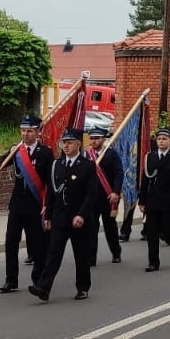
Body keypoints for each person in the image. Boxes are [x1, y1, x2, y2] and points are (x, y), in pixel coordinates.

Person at [30, 127, 103, 301]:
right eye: (64, 142)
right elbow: (51, 192)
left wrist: (82, 215)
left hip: (79, 219)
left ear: (79, 144)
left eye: (70, 142)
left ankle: (83, 288)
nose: (66, 146)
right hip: (60, 217)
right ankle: (43, 287)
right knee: (53, 254)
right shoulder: (57, 164)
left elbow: (91, 194)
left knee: (81, 255)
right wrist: (48, 216)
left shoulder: (87, 165)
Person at [0, 115, 53, 294]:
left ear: (37, 132)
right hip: (17, 206)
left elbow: (50, 182)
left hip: (36, 206)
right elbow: (1, 160)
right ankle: (11, 280)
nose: (25, 134)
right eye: (23, 130)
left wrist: (48, 205)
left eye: (29, 131)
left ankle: (38, 280)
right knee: (10, 242)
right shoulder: (16, 150)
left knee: (38, 246)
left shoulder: (46, 153)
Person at [139, 126, 170, 271]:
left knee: (167, 230)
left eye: (164, 139)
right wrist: (142, 201)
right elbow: (145, 180)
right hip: (152, 200)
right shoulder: (150, 157)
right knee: (152, 232)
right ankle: (153, 262)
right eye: (159, 139)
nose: (161, 141)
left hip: (168, 200)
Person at [86, 125, 124, 265]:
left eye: (97, 138)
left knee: (110, 227)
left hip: (108, 196)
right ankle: (91, 257)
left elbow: (119, 173)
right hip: (92, 197)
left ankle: (116, 253)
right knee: (91, 228)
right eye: (92, 138)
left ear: (103, 139)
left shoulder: (111, 154)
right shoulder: (87, 154)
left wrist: (116, 192)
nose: (94, 141)